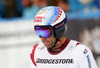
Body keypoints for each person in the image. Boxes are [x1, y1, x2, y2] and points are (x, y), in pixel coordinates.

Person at [30, 6, 98, 68]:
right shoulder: (36, 51)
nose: (41, 37)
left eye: (45, 32)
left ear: (59, 30)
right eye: (38, 32)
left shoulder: (80, 51)